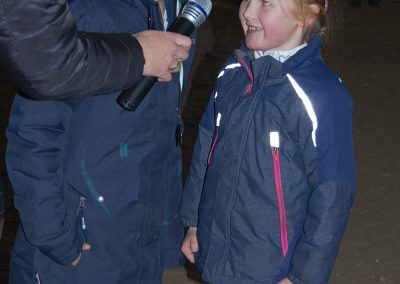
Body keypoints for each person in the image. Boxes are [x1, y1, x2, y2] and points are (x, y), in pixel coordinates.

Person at [6, 0, 196, 283]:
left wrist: (165, 229)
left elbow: (161, 133)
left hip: (138, 246)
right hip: (75, 250)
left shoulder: (179, 13)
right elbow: (34, 135)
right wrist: (54, 235)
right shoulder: (84, 11)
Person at [180, 0, 356, 283]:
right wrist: (194, 220)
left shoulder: (321, 96)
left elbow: (333, 195)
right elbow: (206, 147)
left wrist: (303, 276)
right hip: (219, 251)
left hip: (273, 269)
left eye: (265, 3)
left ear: (307, 16)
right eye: (247, 0)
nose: (248, 12)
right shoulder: (233, 71)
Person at [0, 0, 191, 99]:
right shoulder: (85, 8)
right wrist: (140, 54)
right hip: (82, 170)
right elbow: (43, 63)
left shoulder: (179, 8)